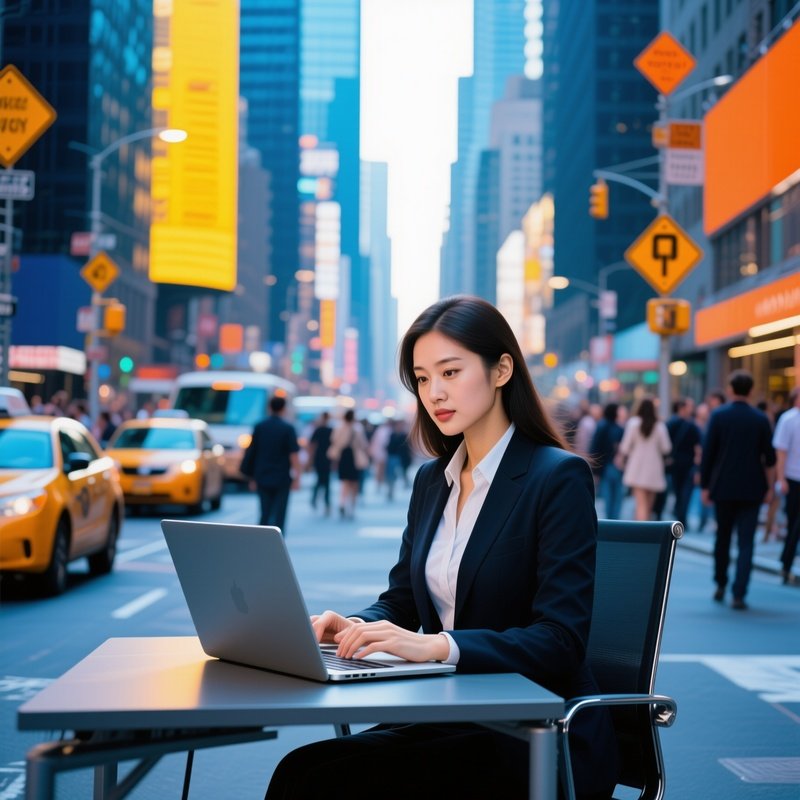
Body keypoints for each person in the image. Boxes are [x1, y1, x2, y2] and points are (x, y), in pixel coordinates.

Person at [265, 296, 618, 800]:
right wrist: (356, 625)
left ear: (501, 370)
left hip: (537, 729)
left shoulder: (556, 477)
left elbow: (560, 641)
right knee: (301, 769)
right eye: (423, 379)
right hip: (450, 712)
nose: (435, 393)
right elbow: (404, 600)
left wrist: (438, 646)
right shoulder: (434, 480)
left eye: (450, 372)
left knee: (320, 780)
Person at [700, 370, 776, 610]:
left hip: (723, 487)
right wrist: (770, 487)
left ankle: (720, 582)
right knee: (746, 542)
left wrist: (704, 486)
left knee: (722, 537)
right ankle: (739, 592)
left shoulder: (719, 416)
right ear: (751, 391)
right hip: (753, 488)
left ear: (731, 390)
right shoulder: (760, 419)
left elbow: (708, 454)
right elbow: (770, 458)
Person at [240, 395, 301, 533]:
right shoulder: (288, 428)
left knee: (264, 512)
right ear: (283, 409)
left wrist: (252, 477)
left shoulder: (260, 427)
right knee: (280, 514)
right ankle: (278, 544)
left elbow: (252, 452)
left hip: (262, 475)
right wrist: (297, 477)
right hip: (282, 477)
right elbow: (294, 455)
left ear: (269, 408)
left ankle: (263, 542)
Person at [616, 396, 671, 521]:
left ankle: (640, 533)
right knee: (649, 506)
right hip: (654, 468)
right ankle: (646, 530)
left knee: (640, 504)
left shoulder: (633, 423)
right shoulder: (660, 425)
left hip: (637, 466)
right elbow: (666, 448)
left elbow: (625, 447)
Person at [772, 387, 800, 585]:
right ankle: (786, 564)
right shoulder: (789, 419)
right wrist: (780, 478)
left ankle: (786, 562)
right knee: (794, 524)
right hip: (793, 478)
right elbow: (781, 452)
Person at [663, 398, 702, 528]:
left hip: (674, 464)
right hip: (688, 465)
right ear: (682, 407)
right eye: (689, 406)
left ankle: (679, 515)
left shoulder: (669, 424)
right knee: (685, 493)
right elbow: (698, 448)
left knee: (678, 491)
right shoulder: (692, 426)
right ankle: (682, 517)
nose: (692, 409)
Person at [327, 408, 370, 520]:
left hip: (343, 457)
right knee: (354, 483)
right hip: (354, 457)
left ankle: (342, 503)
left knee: (344, 482)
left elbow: (334, 441)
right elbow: (363, 444)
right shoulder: (358, 428)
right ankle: (352, 507)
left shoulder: (338, 427)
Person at [589, 402, 624, 519]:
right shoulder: (618, 428)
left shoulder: (601, 426)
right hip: (616, 466)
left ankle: (610, 520)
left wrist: (595, 469)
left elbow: (595, 447)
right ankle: (615, 519)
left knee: (608, 495)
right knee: (617, 495)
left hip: (604, 466)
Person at [307, 412, 333, 516]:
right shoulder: (329, 430)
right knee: (325, 481)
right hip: (327, 458)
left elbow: (312, 445)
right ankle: (326, 503)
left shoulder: (319, 430)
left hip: (320, 458)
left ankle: (316, 499)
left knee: (321, 480)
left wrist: (310, 459)